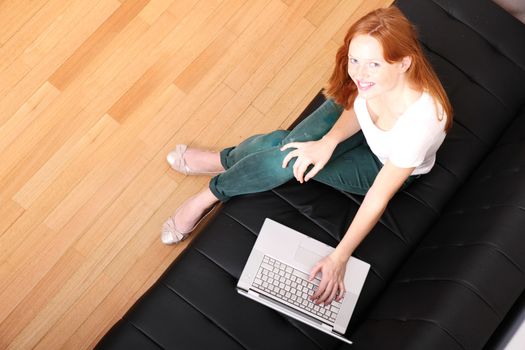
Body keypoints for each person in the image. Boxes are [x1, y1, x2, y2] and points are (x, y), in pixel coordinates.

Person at [161, 6, 452, 307]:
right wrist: (328, 142)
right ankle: (219, 170)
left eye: (373, 65)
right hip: (363, 131)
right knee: (284, 147)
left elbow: (378, 196)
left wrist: (339, 258)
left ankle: (213, 185)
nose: (359, 74)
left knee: (283, 155)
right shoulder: (370, 81)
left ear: (404, 63)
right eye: (354, 59)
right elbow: (360, 105)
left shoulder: (423, 123)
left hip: (380, 165)